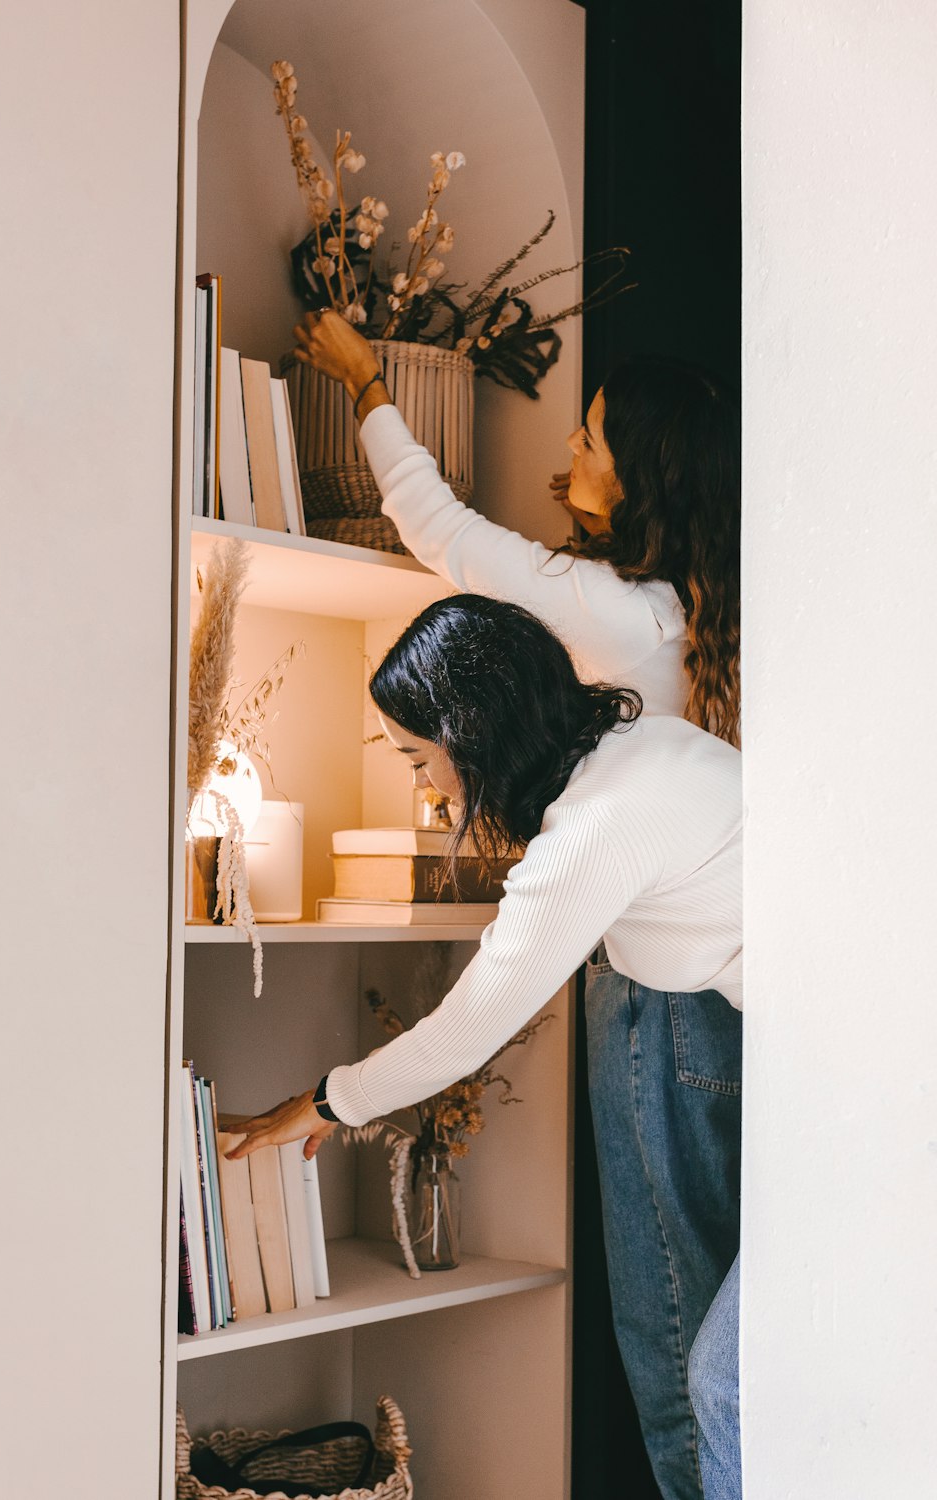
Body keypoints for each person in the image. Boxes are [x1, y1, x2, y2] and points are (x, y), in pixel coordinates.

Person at [282, 311, 742, 1500]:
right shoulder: (678, 645)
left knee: (685, 1336)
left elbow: (441, 534)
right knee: (721, 1343)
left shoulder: (610, 664)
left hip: (664, 1006)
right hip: (714, 987)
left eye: (590, 441)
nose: (569, 460)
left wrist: (368, 383)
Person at [229, 596, 743, 1500]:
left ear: (473, 734)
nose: (430, 787)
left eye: (421, 758)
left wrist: (317, 1104)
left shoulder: (594, 826)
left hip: (865, 1095)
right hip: (817, 1065)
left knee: (721, 1386)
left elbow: (466, 1029)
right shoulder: (647, 748)